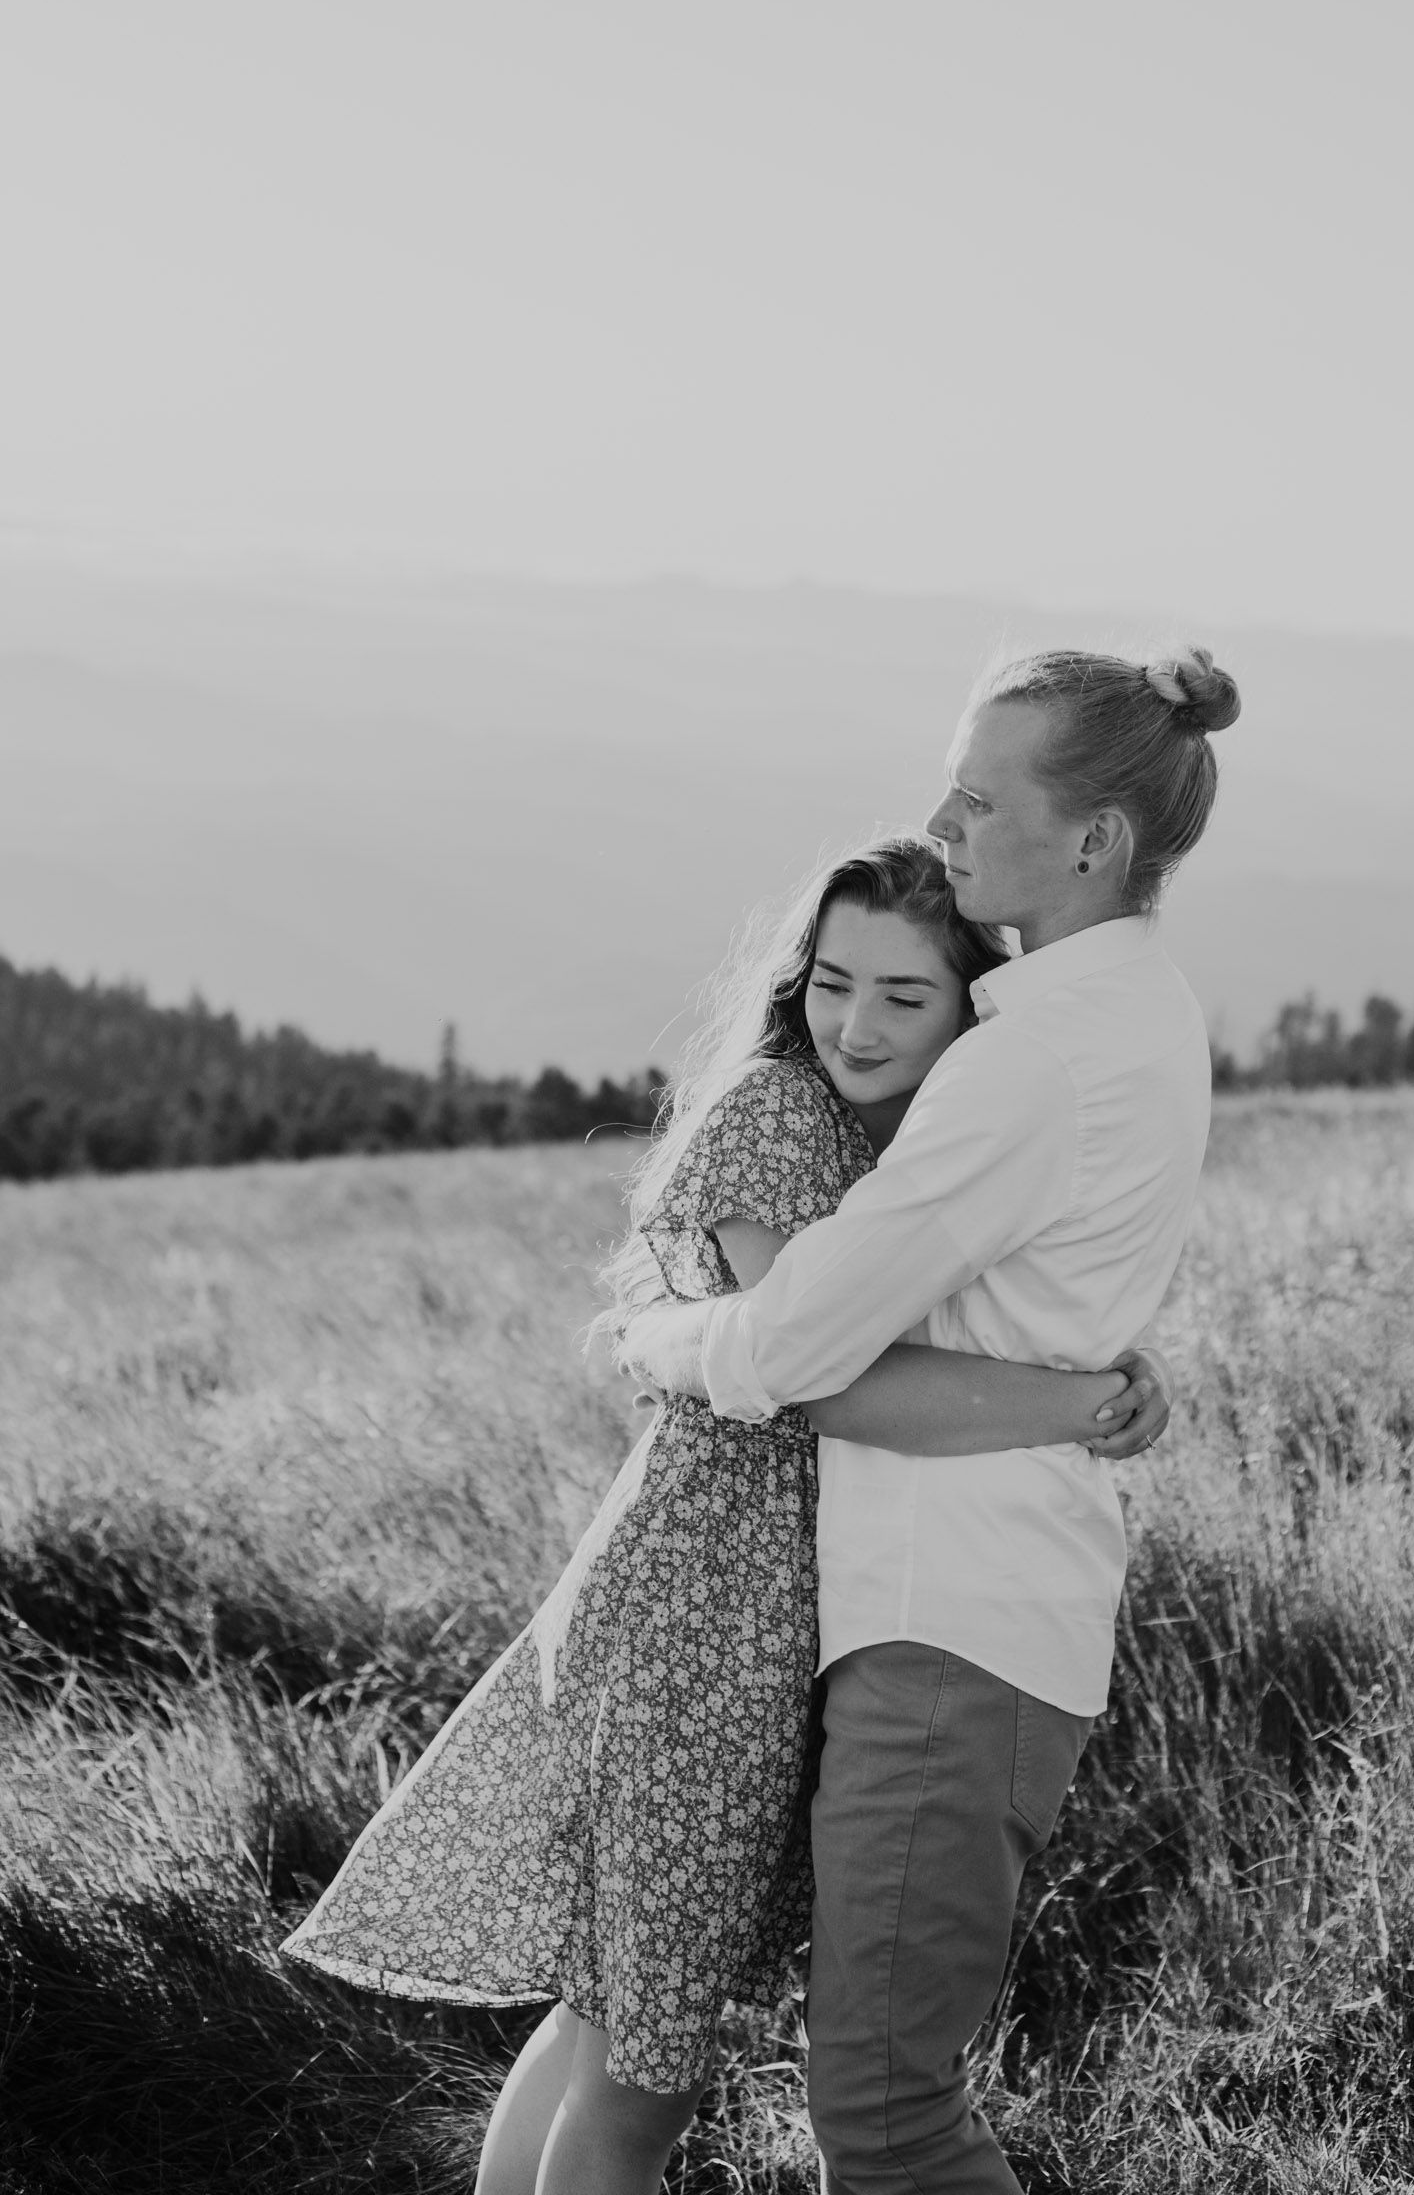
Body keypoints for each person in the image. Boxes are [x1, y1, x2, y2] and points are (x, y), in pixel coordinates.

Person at [282, 836, 1154, 2195]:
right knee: (649, 2070)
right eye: (830, 981)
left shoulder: (895, 1138)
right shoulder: (778, 1120)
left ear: (971, 1004)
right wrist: (1087, 1403)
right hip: (698, 1625)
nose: (854, 1024)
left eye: (902, 998)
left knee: (607, 2015)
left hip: (729, 1623)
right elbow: (818, 1380)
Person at [624, 642, 1240, 2195]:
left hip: (946, 1621)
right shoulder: (1136, 1009)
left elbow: (800, 1345)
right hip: (992, 1599)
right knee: (886, 2097)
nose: (943, 823)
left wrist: (654, 1336)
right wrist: (1092, 1385)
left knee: (889, 2120)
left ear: (1093, 838)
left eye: (978, 796)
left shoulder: (1028, 1055)